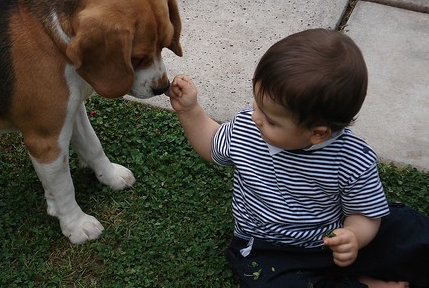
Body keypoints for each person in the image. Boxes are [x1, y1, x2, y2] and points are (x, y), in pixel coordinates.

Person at [166, 29, 429, 287]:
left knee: (413, 234)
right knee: (271, 279)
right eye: (256, 102)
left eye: (270, 119)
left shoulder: (352, 159)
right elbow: (213, 144)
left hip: (333, 236)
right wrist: (190, 111)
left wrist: (353, 237)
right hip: (271, 247)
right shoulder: (247, 128)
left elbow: (364, 213)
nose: (255, 116)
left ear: (317, 133)